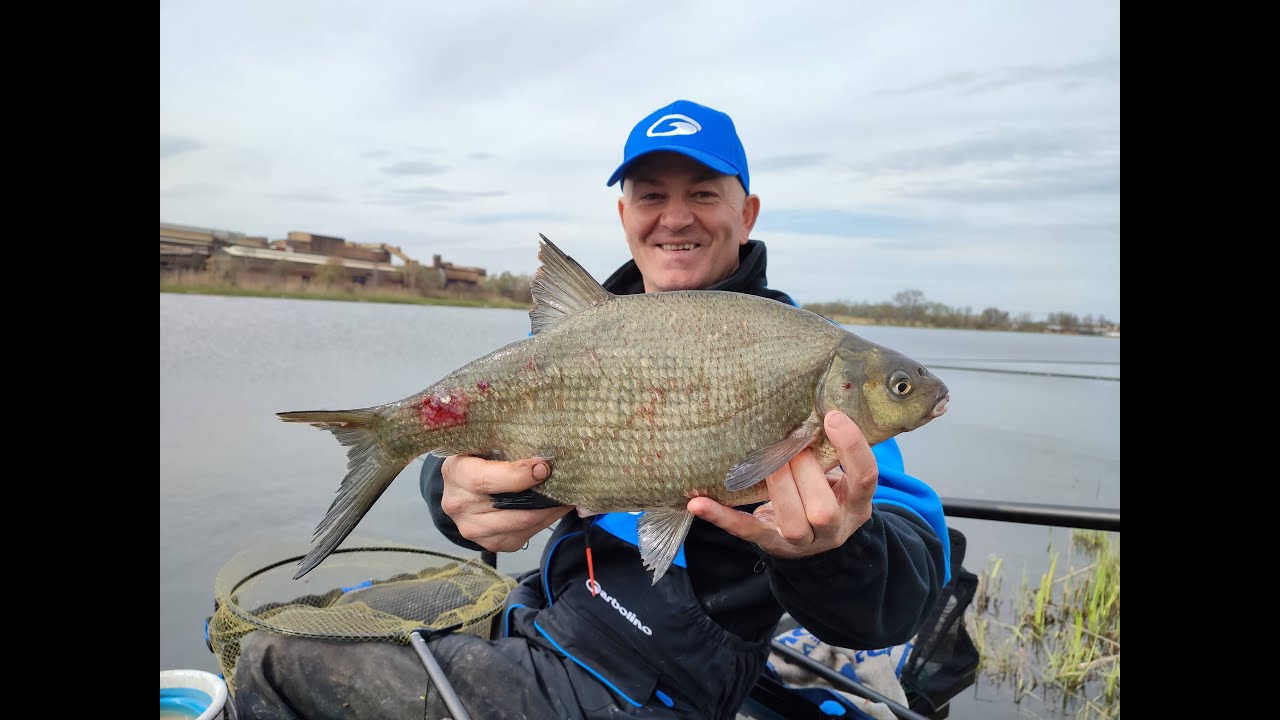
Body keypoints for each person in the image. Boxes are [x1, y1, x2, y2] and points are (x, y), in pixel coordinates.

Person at [230, 99, 949, 720]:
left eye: (702, 193)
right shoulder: (589, 342)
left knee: (269, 661)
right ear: (624, 214)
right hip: (555, 616)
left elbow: (908, 579)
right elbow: (498, 441)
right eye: (650, 195)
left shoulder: (806, 355)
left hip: (657, 682)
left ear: (746, 211)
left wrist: (838, 552)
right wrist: (447, 490)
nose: (675, 218)